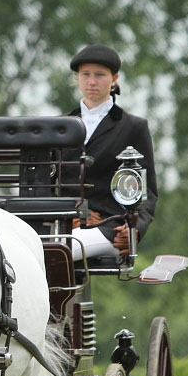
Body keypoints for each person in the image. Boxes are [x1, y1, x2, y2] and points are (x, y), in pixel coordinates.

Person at [64, 44, 158, 261]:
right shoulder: (61, 127)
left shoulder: (133, 127)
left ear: (114, 79)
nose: (92, 81)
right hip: (65, 224)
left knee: (56, 253)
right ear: (77, 78)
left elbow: (148, 191)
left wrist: (136, 230)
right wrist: (71, 215)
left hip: (111, 228)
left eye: (100, 75)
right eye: (85, 75)